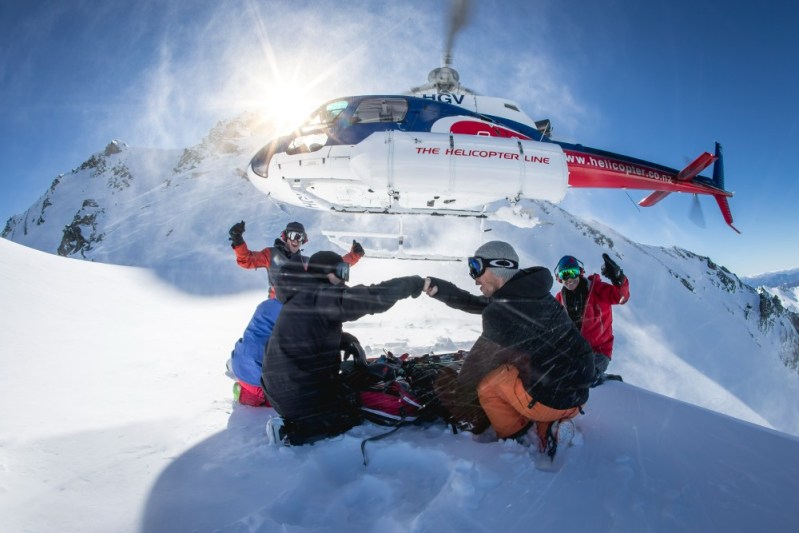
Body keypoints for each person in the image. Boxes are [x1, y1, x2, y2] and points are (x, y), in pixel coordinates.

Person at [423, 241, 595, 455]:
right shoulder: (533, 292)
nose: (474, 278)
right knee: (519, 365)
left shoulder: (501, 313)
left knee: (488, 385)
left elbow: (471, 375)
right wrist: (440, 290)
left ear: (499, 266)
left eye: (476, 268)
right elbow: (479, 303)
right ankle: (549, 427)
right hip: (578, 396)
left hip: (550, 401)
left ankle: (516, 434)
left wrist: (443, 389)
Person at [262, 251, 425, 446]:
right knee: (355, 406)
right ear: (324, 272)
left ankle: (305, 417)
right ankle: (300, 429)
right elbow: (371, 297)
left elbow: (306, 335)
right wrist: (411, 283)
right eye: (340, 271)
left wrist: (344, 339)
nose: (343, 278)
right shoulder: (320, 296)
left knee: (351, 382)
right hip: (301, 399)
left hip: (280, 393)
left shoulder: (301, 298)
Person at [227, 220, 365, 406]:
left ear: (304, 240)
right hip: (279, 302)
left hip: (292, 304)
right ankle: (260, 376)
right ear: (285, 236)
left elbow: (330, 267)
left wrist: (353, 256)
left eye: (299, 237)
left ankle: (245, 375)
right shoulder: (271, 254)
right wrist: (238, 241)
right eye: (292, 235)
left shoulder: (305, 262)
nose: (296, 240)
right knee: (276, 341)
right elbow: (247, 260)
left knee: (271, 338)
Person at [553, 253, 630, 385]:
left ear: (580, 272)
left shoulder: (597, 289)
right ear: (559, 279)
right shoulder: (560, 298)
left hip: (599, 351)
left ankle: (608, 381)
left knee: (583, 379)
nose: (569, 278)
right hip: (574, 352)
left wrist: (619, 279)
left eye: (573, 272)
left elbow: (621, 297)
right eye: (564, 274)